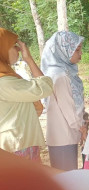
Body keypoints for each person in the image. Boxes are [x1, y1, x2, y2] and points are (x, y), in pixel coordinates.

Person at [0, 28, 53, 161]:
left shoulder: (7, 78)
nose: (18, 49)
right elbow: (45, 86)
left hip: (15, 143)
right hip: (17, 145)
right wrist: (28, 59)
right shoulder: (5, 83)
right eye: (14, 46)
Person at [41, 31, 88, 171]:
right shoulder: (60, 76)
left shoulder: (63, 72)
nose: (80, 54)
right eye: (77, 50)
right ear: (64, 50)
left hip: (64, 135)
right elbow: (69, 108)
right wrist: (82, 127)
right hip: (63, 136)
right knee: (66, 178)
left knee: (65, 177)